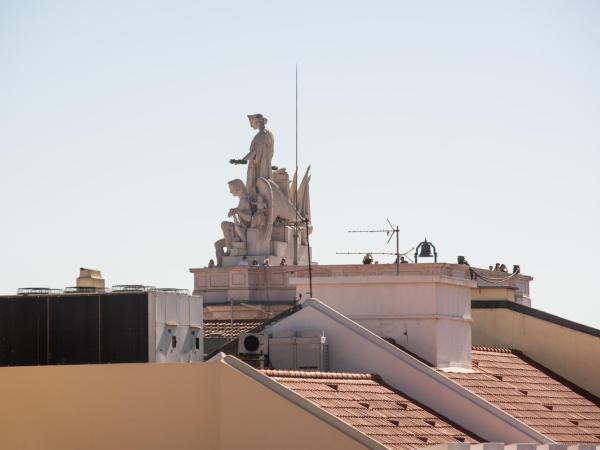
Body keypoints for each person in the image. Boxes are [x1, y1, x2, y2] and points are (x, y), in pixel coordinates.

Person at [239, 114, 274, 196]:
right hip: (264, 166)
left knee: (257, 190)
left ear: (257, 122)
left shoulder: (262, 135)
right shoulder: (268, 133)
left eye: (251, 123)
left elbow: (255, 152)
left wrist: (242, 160)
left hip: (260, 168)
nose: (251, 126)